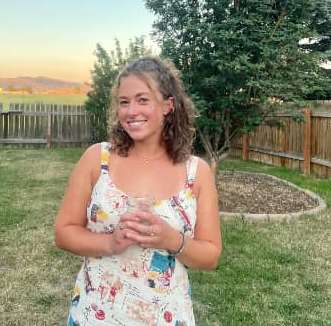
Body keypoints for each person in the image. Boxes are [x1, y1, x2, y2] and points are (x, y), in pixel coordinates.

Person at [55, 57, 222, 326]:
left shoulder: (196, 172)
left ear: (168, 105)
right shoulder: (97, 159)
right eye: (124, 102)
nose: (131, 111)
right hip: (95, 315)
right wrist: (110, 243)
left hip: (167, 317)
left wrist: (171, 239)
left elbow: (210, 257)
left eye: (143, 100)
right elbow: (64, 232)